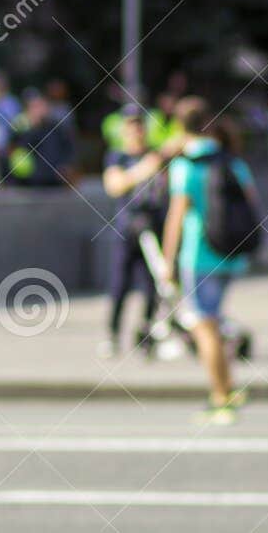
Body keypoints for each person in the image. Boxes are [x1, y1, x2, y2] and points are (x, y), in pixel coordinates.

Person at [161, 98, 256, 424]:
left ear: (179, 125)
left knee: (204, 327)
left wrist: (166, 260)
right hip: (232, 255)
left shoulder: (185, 165)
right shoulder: (231, 161)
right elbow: (251, 204)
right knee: (213, 322)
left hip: (199, 256)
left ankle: (221, 397)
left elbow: (176, 216)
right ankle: (228, 386)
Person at [100, 108, 169, 356]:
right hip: (127, 229)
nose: (136, 133)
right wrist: (144, 169)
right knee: (120, 284)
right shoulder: (117, 157)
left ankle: (146, 334)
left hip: (153, 226)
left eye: (139, 127)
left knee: (153, 285)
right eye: (131, 128)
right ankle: (112, 334)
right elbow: (114, 185)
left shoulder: (156, 156)